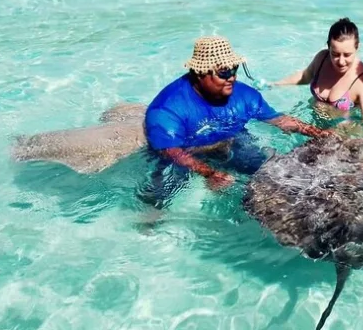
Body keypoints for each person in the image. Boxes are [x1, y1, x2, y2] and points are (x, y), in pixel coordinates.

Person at [140, 35, 334, 208]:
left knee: (274, 173)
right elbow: (171, 151)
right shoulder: (166, 109)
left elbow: (279, 120)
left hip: (231, 142)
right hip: (186, 152)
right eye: (224, 72)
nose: (232, 77)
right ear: (200, 73)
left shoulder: (244, 95)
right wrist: (209, 173)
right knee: (161, 192)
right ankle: (148, 221)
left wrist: (317, 133)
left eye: (234, 69)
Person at [272, 18, 363, 157]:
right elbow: (305, 76)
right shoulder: (321, 59)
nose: (341, 61)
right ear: (328, 47)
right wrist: (276, 84)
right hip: (315, 129)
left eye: (347, 55)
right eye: (335, 54)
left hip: (343, 137)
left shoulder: (362, 81)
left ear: (357, 47)